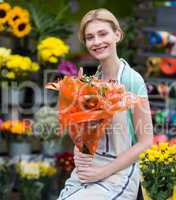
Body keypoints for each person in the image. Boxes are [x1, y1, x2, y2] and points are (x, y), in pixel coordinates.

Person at [57, 8, 153, 200]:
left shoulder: (132, 80)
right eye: (90, 37)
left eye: (103, 34)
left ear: (117, 34)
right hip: (88, 170)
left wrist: (102, 173)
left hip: (119, 174)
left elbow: (145, 143)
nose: (97, 42)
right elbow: (86, 133)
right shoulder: (92, 81)